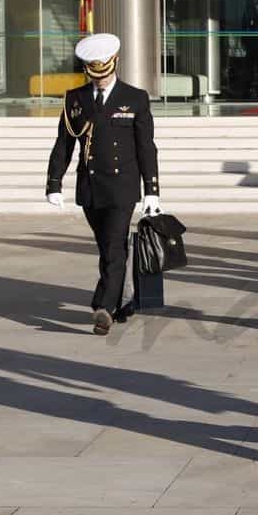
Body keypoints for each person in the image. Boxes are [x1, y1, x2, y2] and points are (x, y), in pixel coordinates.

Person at [45, 33, 160, 335]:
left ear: (115, 64)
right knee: (108, 248)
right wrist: (54, 183)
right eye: (95, 74)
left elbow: (146, 147)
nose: (100, 79)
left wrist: (152, 189)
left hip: (122, 188)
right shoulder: (75, 99)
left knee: (113, 246)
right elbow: (64, 144)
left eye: (104, 73)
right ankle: (116, 301)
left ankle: (104, 309)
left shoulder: (135, 98)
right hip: (91, 189)